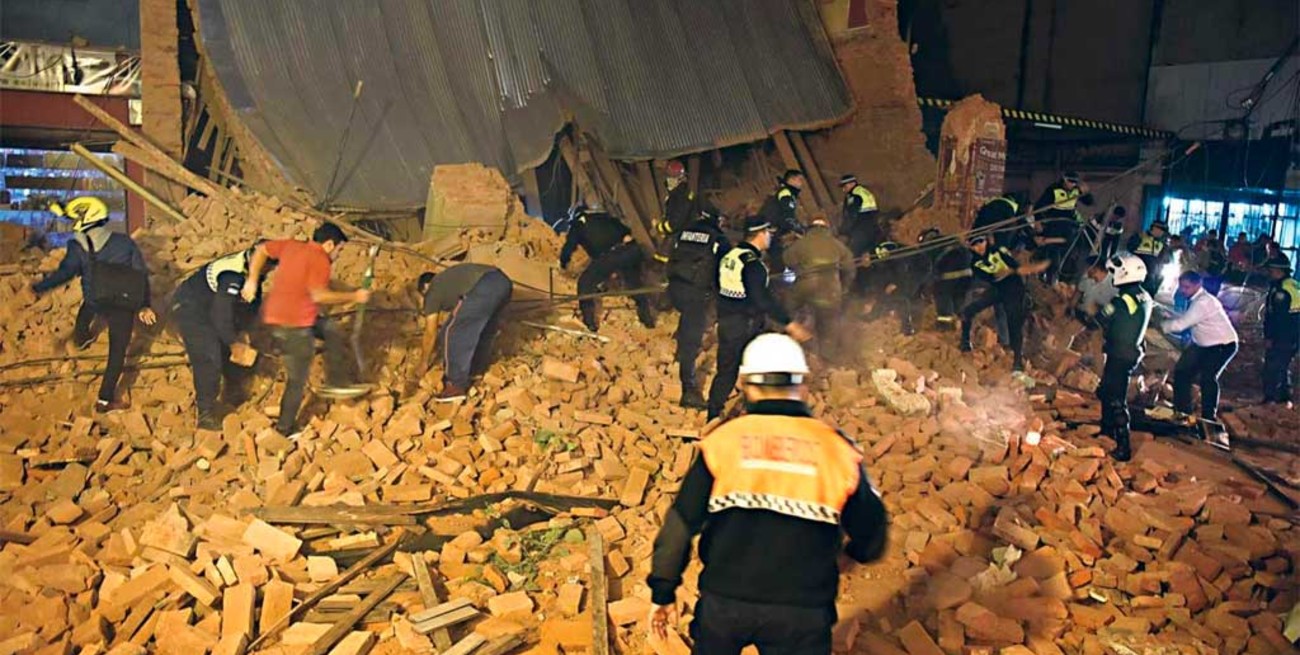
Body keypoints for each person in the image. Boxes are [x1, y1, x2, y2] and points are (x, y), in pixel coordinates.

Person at [647, 334, 889, 654]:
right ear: (803, 386)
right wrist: (851, 556)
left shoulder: (723, 443)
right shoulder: (837, 450)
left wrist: (663, 592)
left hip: (725, 604)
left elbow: (678, 527)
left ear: (745, 384)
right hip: (803, 611)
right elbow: (873, 533)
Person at [242, 223, 370, 436]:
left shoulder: (292, 246)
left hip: (277, 316)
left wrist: (252, 281)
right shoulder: (321, 259)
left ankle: (336, 381)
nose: (338, 255)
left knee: (331, 329)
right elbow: (319, 295)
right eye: (339, 250)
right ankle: (284, 429)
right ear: (329, 244)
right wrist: (354, 296)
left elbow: (262, 249)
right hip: (294, 325)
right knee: (297, 379)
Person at [32, 196, 156, 412]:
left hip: (96, 299)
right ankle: (105, 399)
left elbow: (65, 273)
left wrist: (40, 287)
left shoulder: (78, 246)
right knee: (118, 350)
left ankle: (81, 339)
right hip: (124, 303)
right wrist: (144, 305)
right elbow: (141, 274)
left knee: (87, 306)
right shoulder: (125, 242)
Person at [707, 217, 811, 420]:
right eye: (768, 233)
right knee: (762, 365)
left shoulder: (730, 256)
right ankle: (765, 410)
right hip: (745, 324)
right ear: (760, 234)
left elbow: (718, 285)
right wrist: (789, 323)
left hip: (727, 321)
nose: (770, 237)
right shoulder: (753, 265)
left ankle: (712, 415)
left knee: (726, 371)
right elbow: (762, 300)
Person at [172, 244, 262, 429]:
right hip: (190, 308)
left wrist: (243, 332)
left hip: (209, 307)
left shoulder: (252, 272)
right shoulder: (232, 274)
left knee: (225, 345)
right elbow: (221, 315)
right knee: (209, 357)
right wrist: (234, 342)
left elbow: (251, 305)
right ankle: (205, 415)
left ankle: (232, 391)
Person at [415, 264, 513, 401]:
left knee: (452, 333)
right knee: (482, 329)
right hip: (503, 283)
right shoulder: (450, 281)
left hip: (483, 286)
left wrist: (423, 362)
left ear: (425, 288)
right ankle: (475, 370)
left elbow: (431, 332)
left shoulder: (432, 291)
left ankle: (455, 385)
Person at [666, 206, 730, 408]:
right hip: (695, 292)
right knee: (691, 340)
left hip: (675, 289)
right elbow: (725, 267)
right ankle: (689, 391)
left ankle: (679, 351)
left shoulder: (683, 232)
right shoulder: (718, 239)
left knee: (687, 320)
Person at [559, 204, 655, 332]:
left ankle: (589, 323)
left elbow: (569, 247)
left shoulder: (577, 225)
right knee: (634, 283)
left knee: (585, 282)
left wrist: (563, 263)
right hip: (632, 250)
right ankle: (647, 319)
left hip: (612, 254)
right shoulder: (603, 216)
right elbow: (625, 232)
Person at [1160, 271, 1239, 426]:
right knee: (1182, 372)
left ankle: (1209, 418)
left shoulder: (1203, 302)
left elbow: (1181, 325)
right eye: (1181, 286)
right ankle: (1183, 412)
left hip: (1222, 345)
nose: (1183, 290)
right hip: (1203, 344)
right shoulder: (1195, 299)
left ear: (1198, 285)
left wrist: (1161, 325)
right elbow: (1185, 317)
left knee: (1208, 378)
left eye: (1187, 287)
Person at [1094, 254, 1153, 461]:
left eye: (1115, 272)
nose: (1113, 276)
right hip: (1130, 351)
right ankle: (1106, 432)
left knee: (1116, 399)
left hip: (1120, 354)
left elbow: (1100, 318)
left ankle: (1123, 447)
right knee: (1106, 391)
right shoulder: (1145, 295)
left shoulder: (1121, 300)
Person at [959, 236, 1047, 372]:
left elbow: (1016, 268)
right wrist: (1004, 272)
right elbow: (992, 276)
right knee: (968, 311)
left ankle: (1017, 362)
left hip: (1014, 290)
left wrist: (1015, 270)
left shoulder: (998, 251)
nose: (979, 246)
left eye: (981, 242)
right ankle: (965, 343)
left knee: (1014, 325)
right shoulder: (975, 263)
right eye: (975, 244)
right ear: (971, 247)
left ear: (986, 241)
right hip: (998, 289)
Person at [785, 216, 855, 359]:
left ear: (810, 228)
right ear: (827, 229)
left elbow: (787, 259)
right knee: (829, 322)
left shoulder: (801, 243)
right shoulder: (837, 244)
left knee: (788, 311)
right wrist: (844, 287)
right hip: (829, 289)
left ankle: (789, 342)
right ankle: (826, 357)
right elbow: (850, 268)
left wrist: (800, 268)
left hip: (803, 286)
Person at [1033, 172, 1093, 283]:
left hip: (1069, 224)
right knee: (1053, 252)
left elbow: (1090, 202)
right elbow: (1038, 207)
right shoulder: (1053, 189)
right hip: (1054, 224)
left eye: (1075, 182)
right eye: (1070, 182)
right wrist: (1038, 222)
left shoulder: (1076, 190)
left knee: (1071, 250)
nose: (1072, 185)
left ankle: (1064, 278)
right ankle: (1048, 277)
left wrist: (1086, 192)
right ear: (1064, 179)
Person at [1262, 255, 1300, 406]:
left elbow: (1277, 317)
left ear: (1278, 271)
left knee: (1273, 366)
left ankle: (1271, 398)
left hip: (1284, 335)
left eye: (1270, 270)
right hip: (1294, 334)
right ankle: (1284, 397)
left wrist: (1270, 337)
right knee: (1283, 365)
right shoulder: (1295, 285)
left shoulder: (1281, 290)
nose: (1268, 273)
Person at [864, 241, 920, 336]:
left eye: (883, 251)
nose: (880, 254)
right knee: (882, 300)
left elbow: (902, 275)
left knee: (902, 302)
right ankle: (873, 316)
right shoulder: (883, 262)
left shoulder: (898, 262)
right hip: (886, 287)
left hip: (898, 289)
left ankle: (907, 326)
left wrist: (894, 284)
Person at [758, 169, 807, 272]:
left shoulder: (783, 192)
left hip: (772, 229)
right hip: (774, 231)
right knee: (778, 260)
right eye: (799, 180)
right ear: (792, 180)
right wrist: (801, 229)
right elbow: (788, 216)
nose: (801, 183)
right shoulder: (786, 193)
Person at [923, 228, 972, 330]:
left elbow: (928, 267)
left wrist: (928, 286)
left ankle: (945, 324)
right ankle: (961, 320)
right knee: (959, 296)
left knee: (942, 294)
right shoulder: (952, 240)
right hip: (967, 274)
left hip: (949, 273)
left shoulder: (930, 245)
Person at [653, 160, 697, 263]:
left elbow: (674, 224)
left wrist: (658, 227)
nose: (667, 181)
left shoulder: (678, 196)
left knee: (662, 264)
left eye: (669, 178)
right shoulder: (684, 194)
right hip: (683, 239)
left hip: (676, 241)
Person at [837, 173, 880, 258]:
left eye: (845, 186)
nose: (843, 189)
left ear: (852, 184)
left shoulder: (854, 195)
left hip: (861, 229)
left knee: (853, 254)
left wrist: (843, 230)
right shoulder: (864, 192)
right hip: (872, 227)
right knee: (870, 253)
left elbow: (851, 215)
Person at [1127, 219, 1169, 296]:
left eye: (1163, 232)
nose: (1161, 233)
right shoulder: (1141, 237)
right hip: (1137, 275)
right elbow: (1129, 248)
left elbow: (1163, 261)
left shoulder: (1161, 244)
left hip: (1151, 277)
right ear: (1154, 228)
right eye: (1161, 230)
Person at [1076, 256, 1118, 322]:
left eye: (1088, 268)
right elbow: (1078, 292)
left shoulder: (1114, 284)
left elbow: (1113, 309)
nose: (1086, 270)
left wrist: (1097, 310)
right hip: (1078, 313)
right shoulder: (1086, 277)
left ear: (1095, 268)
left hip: (1095, 320)